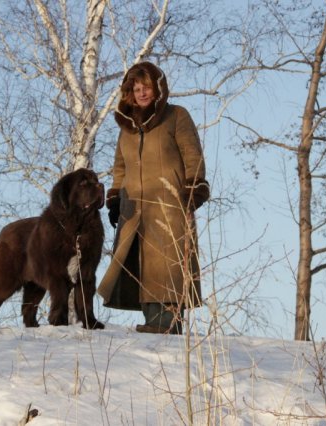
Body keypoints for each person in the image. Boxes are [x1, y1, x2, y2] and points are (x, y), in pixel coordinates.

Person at [97, 62, 210, 334]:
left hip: (169, 205)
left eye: (146, 87)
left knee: (166, 264)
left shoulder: (176, 116)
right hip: (133, 207)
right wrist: (114, 200)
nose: (142, 93)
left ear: (158, 88)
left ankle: (167, 324)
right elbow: (120, 167)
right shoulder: (126, 129)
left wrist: (194, 190)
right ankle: (152, 322)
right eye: (136, 88)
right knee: (138, 263)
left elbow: (192, 154)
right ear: (129, 93)